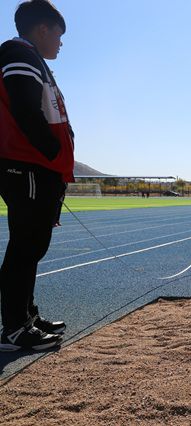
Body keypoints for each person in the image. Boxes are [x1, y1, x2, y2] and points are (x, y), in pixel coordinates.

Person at [0, 0, 72, 351]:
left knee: (32, 246)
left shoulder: (31, 58)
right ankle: (15, 329)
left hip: (37, 166)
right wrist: (52, 152)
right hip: (27, 165)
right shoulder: (18, 54)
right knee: (25, 246)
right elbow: (25, 109)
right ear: (42, 29)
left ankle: (26, 316)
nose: (60, 42)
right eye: (59, 34)